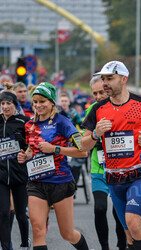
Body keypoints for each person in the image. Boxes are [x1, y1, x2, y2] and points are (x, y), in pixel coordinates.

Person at [81, 61, 141, 250]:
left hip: (140, 173)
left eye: (109, 79)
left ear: (123, 79)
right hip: (114, 177)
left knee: (134, 223)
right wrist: (96, 133)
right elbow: (84, 145)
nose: (105, 83)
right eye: (103, 79)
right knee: (129, 234)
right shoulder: (98, 109)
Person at [17, 82, 89, 250]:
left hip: (60, 182)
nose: (38, 105)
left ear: (51, 102)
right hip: (36, 182)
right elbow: (31, 149)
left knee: (67, 233)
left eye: (42, 101)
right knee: (37, 230)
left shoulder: (63, 122)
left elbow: (83, 151)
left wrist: (56, 149)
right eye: (35, 102)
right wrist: (26, 155)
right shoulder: (30, 125)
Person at [84, 76, 126, 250]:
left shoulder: (121, 108)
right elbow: (85, 143)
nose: (98, 96)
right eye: (94, 93)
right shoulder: (92, 111)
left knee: (118, 213)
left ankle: (122, 245)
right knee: (100, 209)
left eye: (101, 92)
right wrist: (96, 133)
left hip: (120, 170)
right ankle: (105, 247)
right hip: (99, 168)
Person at [0, 88, 30, 250]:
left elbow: (32, 146)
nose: (5, 107)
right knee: (4, 213)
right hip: (2, 176)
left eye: (8, 103)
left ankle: (25, 243)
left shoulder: (23, 121)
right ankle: (6, 247)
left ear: (14, 105)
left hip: (19, 175)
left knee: (20, 215)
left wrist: (23, 142)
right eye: (2, 103)